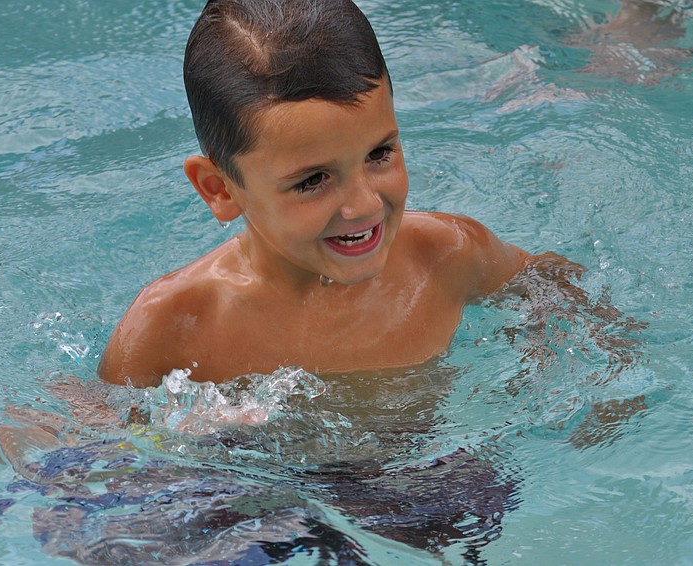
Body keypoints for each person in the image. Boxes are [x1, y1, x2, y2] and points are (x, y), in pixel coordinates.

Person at [97, 0, 570, 390]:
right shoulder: (172, 325)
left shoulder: (446, 254)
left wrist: (554, 358)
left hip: (441, 465)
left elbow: (553, 283)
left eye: (379, 153)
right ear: (219, 189)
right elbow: (98, 439)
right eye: (313, 180)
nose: (365, 205)